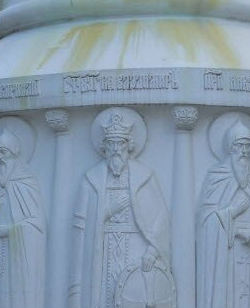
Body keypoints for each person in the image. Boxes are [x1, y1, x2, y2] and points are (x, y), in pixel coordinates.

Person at [69, 110, 172, 308]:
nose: (116, 149)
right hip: (102, 251)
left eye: (121, 143)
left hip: (136, 249)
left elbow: (160, 219)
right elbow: (80, 227)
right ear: (104, 148)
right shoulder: (92, 179)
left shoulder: (144, 177)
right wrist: (108, 211)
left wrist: (151, 252)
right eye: (111, 144)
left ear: (129, 146)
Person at [196, 120, 250, 308]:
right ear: (230, 148)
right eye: (240, 146)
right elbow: (205, 219)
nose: (244, 151)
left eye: (248, 146)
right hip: (226, 254)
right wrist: (232, 212)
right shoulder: (217, 175)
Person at [0, 130, 47, 308]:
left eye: (4, 152)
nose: (0, 157)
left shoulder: (27, 183)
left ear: (14, 154)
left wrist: (12, 230)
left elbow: (37, 224)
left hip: (18, 256)